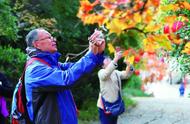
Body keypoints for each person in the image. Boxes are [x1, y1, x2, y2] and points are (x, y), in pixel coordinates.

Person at [11, 28, 105, 124]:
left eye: (52, 37)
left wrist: (97, 52)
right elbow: (67, 78)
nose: (53, 39)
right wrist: (91, 53)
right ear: (37, 44)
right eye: (48, 37)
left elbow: (78, 68)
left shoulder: (52, 65)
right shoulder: (35, 70)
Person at [97, 50, 134, 124]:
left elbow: (126, 75)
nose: (109, 59)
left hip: (115, 106)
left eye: (109, 59)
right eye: (106, 59)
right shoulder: (101, 72)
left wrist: (129, 65)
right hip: (105, 107)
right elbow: (105, 75)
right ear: (102, 65)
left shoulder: (116, 73)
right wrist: (116, 59)